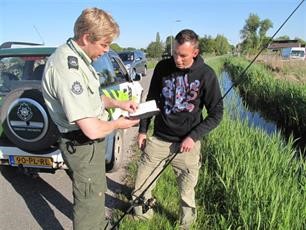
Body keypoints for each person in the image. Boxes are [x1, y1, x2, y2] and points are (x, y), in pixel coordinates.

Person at [42, 8, 139, 230]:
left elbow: (91, 99)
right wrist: (118, 124)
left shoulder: (79, 59)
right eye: (104, 45)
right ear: (87, 37)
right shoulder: (67, 68)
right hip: (82, 144)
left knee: (95, 191)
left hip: (88, 145)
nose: (106, 51)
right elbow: (92, 129)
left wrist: (119, 104)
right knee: (89, 201)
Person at [132, 29, 223, 229]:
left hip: (187, 145)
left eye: (183, 55)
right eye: (174, 53)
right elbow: (151, 102)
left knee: (186, 192)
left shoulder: (206, 74)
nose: (177, 59)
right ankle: (141, 218)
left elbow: (217, 113)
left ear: (195, 53)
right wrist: (142, 130)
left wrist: (193, 136)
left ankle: (185, 224)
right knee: (141, 186)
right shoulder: (163, 67)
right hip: (159, 140)